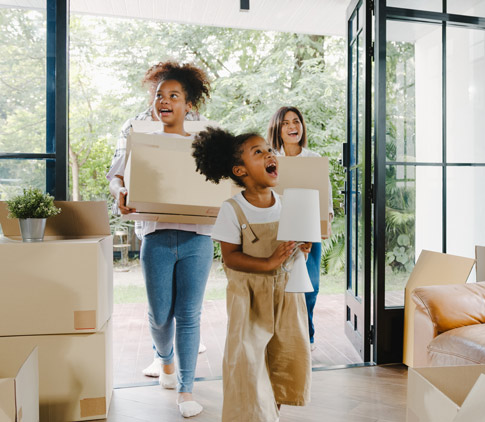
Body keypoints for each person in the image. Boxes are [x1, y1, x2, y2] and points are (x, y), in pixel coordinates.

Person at [107, 63, 213, 418]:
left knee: (189, 315)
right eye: (159, 95)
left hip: (198, 237)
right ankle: (164, 359)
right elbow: (117, 177)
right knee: (159, 315)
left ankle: (186, 390)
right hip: (155, 234)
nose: (164, 101)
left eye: (174, 96)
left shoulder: (204, 140)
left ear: (188, 104)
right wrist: (121, 191)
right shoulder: (140, 136)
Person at [192, 127, 312, 421]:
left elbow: (294, 256)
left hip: (286, 297)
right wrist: (269, 262)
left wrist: (303, 248)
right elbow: (231, 258)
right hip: (249, 300)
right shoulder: (232, 210)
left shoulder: (287, 204)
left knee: (283, 360)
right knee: (249, 363)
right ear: (240, 170)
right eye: (258, 152)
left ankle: (273, 415)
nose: (270, 154)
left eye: (270, 150)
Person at [267, 106, 334, 350]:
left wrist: (320, 229)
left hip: (309, 232)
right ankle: (281, 335)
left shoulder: (314, 159)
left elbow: (325, 198)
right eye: (286, 123)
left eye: (296, 121)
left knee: (310, 287)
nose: (292, 126)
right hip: (277, 231)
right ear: (277, 128)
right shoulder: (269, 158)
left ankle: (308, 335)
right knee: (280, 285)